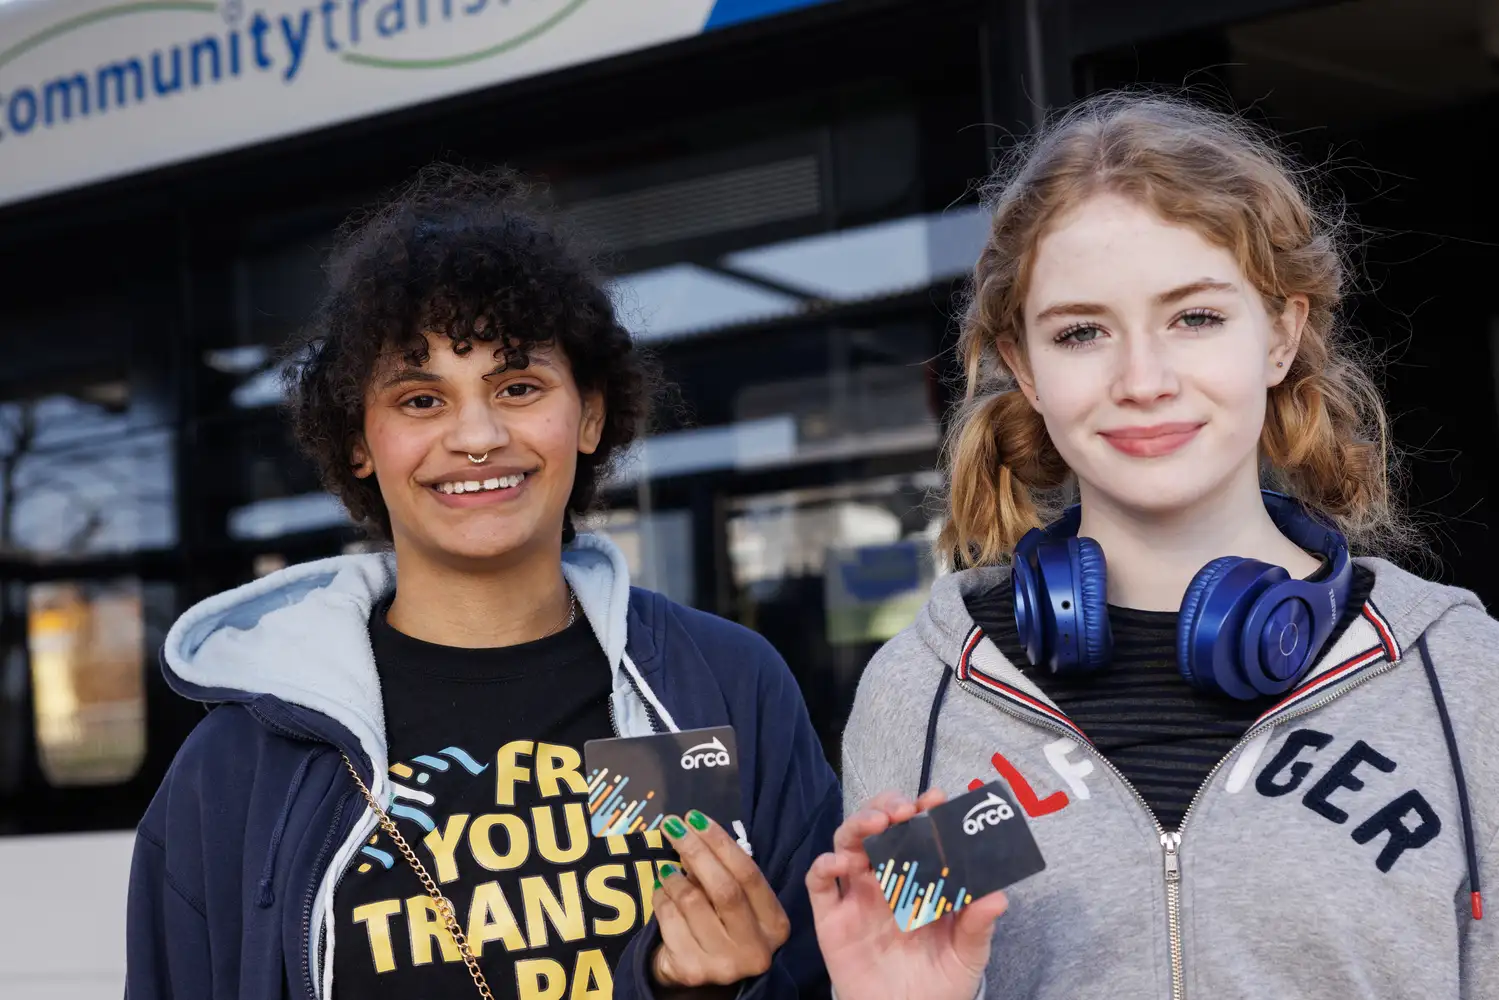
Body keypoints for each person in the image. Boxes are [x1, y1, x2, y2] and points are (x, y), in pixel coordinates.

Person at [808, 91, 1497, 1000]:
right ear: (1024, 367)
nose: (1142, 381)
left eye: (1195, 318)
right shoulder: (921, 693)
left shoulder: (1458, 671)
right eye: (1081, 333)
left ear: (1281, 335)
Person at [125, 165, 840, 1000]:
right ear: (359, 441)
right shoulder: (236, 767)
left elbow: (829, 973)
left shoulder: (725, 681)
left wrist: (704, 990)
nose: (476, 434)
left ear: (591, 415)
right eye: (421, 398)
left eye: (518, 386)